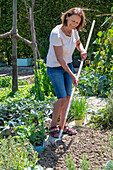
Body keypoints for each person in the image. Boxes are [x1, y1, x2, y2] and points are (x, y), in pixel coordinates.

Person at [46, 7, 87, 138]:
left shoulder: (74, 31)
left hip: (67, 65)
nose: (74, 24)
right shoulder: (56, 33)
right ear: (67, 17)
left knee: (68, 98)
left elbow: (78, 43)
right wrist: (73, 75)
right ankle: (53, 126)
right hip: (55, 67)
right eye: (72, 21)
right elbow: (60, 58)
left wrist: (82, 50)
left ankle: (62, 126)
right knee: (62, 98)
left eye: (77, 23)